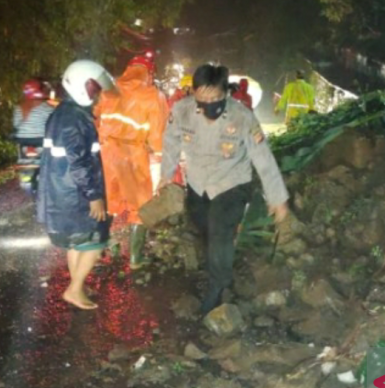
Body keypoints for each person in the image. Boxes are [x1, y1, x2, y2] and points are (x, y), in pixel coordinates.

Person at [160, 64, 289, 316]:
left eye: (216, 98)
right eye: (204, 98)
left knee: (219, 231)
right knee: (205, 228)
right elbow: (170, 142)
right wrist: (166, 176)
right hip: (198, 183)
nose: (210, 103)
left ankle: (218, 286)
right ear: (193, 93)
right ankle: (216, 266)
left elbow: (262, 156)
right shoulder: (182, 111)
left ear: (226, 93)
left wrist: (277, 198)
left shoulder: (242, 116)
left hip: (232, 182)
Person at [37, 60, 111, 310]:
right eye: (95, 88)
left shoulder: (65, 113)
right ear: (83, 86)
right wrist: (94, 195)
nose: (98, 94)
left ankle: (76, 284)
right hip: (75, 192)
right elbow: (78, 162)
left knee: (77, 241)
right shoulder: (73, 118)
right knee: (95, 239)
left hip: (65, 190)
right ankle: (74, 289)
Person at [95, 55, 167, 270]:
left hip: (105, 152)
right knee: (139, 206)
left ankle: (101, 249)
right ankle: (135, 258)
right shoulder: (152, 95)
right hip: (133, 153)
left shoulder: (109, 90)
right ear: (150, 72)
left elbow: (96, 116)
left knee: (107, 201)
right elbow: (157, 135)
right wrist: (161, 154)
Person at [13, 78, 55, 146]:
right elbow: (53, 122)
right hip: (39, 139)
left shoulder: (18, 107)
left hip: (21, 140)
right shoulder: (46, 107)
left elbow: (15, 124)